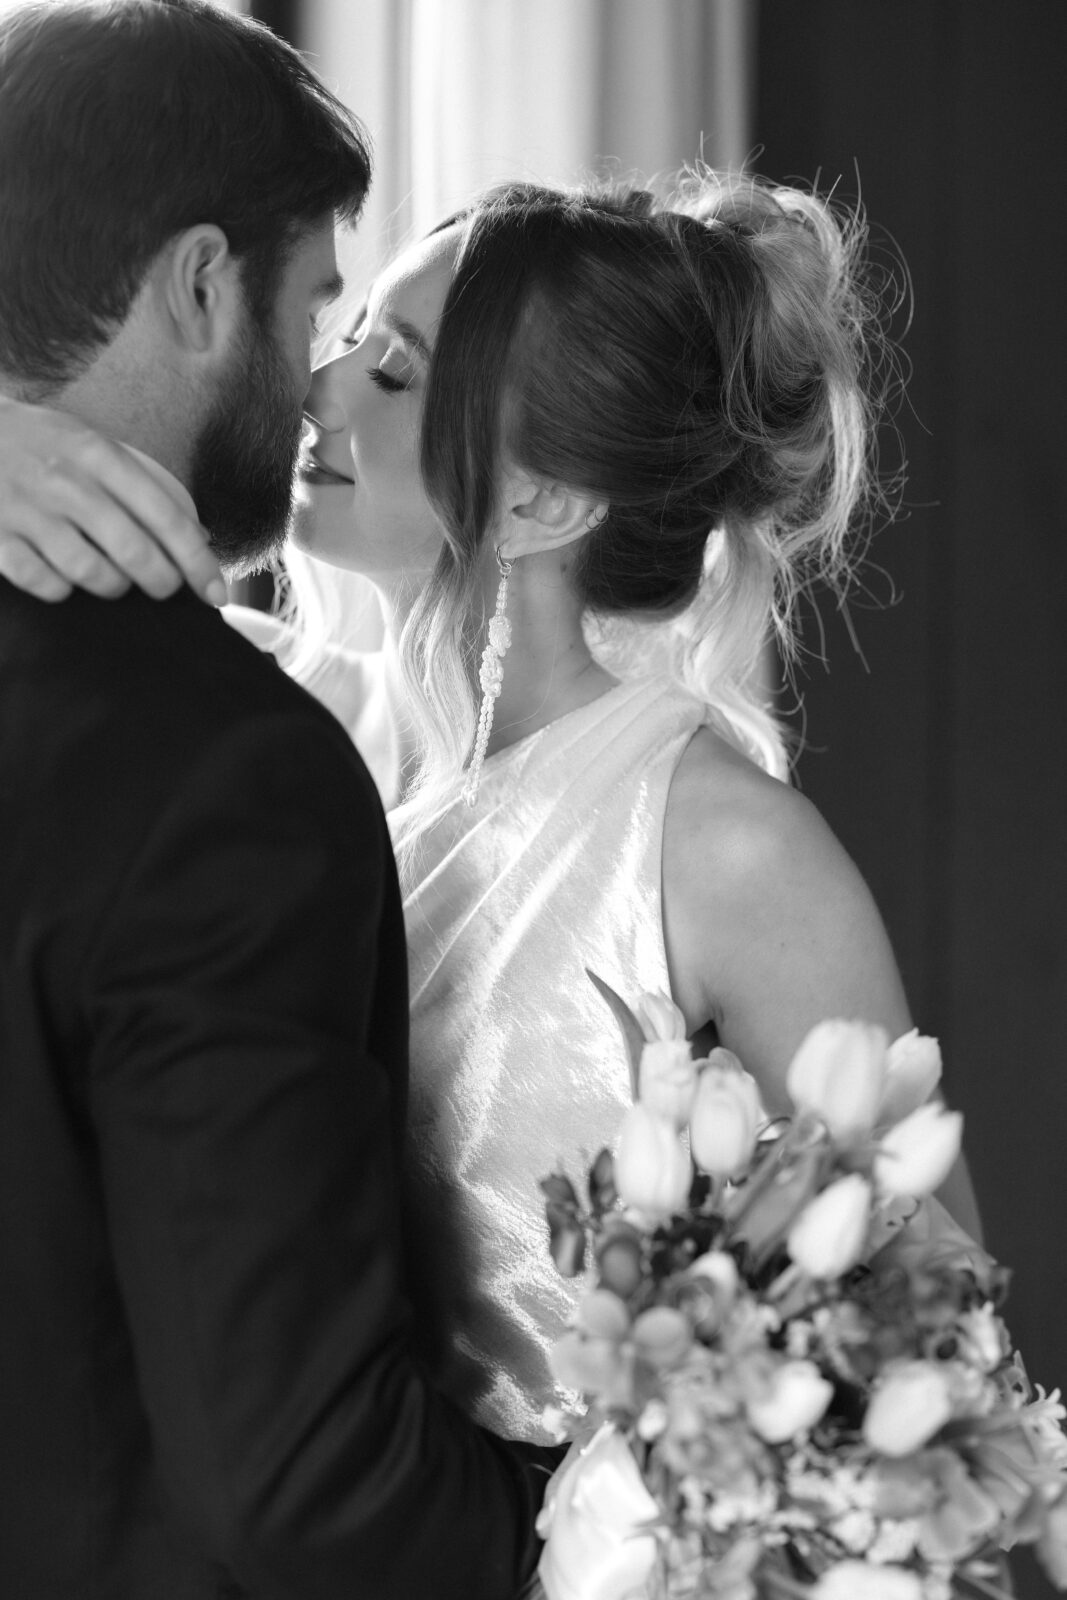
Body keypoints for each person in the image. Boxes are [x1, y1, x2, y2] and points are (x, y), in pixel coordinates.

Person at [0, 169, 982, 1449]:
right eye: (349, 337)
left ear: (542, 502)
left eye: (395, 373)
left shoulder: (720, 848)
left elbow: (938, 1350)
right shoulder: (250, 729)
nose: (316, 386)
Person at [0, 4, 559, 1597]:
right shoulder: (221, 768)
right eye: (320, 306)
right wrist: (614, 1532)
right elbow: (297, 1481)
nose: (319, 386)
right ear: (199, 285)